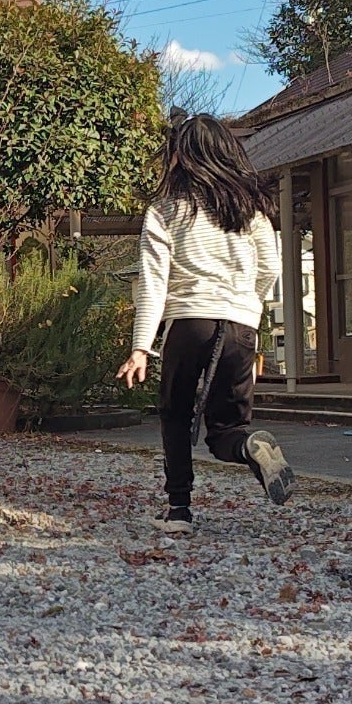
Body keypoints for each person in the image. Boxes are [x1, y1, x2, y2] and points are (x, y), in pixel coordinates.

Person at [116, 113, 297, 533]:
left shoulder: (165, 211)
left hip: (188, 323)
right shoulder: (251, 210)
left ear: (181, 156)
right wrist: (245, 307)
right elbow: (270, 269)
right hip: (240, 325)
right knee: (228, 428)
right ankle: (251, 446)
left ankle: (179, 510)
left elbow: (154, 285)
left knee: (175, 414)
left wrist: (141, 347)